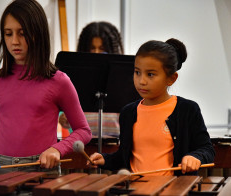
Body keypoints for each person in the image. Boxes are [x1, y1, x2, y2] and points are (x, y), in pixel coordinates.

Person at [0, 0, 91, 174]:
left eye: (22, 33)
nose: (14, 41)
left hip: (41, 168)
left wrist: (58, 149)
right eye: (8, 34)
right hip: (0, 166)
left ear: (38, 34)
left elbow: (83, 130)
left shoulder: (59, 81)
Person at [87, 38, 215, 176]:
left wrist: (195, 157)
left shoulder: (187, 110)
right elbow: (124, 157)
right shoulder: (128, 113)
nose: (141, 81)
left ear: (171, 78)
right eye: (137, 72)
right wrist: (105, 159)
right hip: (136, 189)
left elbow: (207, 149)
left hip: (173, 190)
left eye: (150, 74)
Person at [59, 21, 124, 137]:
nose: (97, 53)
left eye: (102, 48)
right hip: (83, 147)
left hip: (116, 145)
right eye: (92, 48)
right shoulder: (74, 76)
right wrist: (64, 119)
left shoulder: (121, 76)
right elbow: (67, 120)